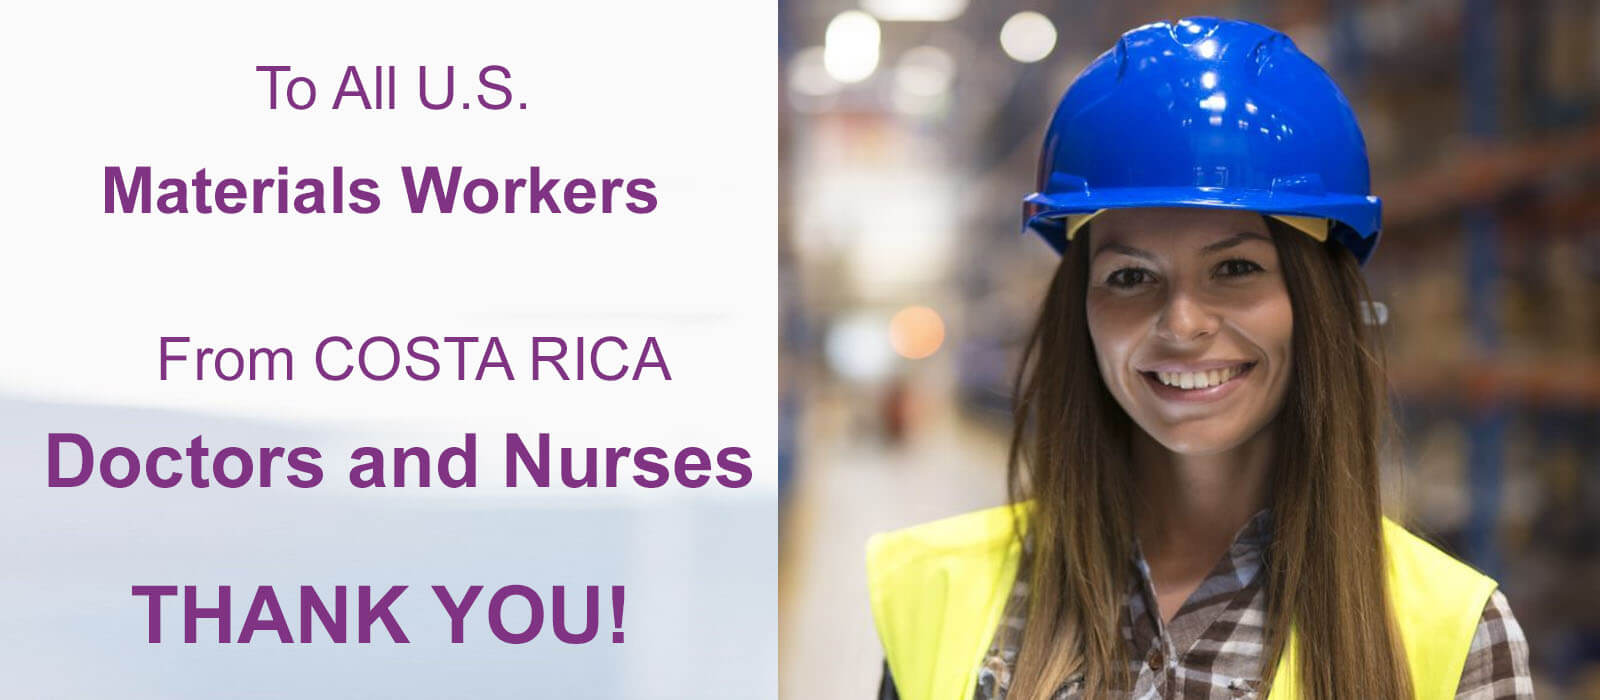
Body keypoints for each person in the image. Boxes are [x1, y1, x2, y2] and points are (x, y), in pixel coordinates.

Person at [866, 17, 1533, 700]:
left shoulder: (1450, 635)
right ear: (1082, 314)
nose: (1181, 324)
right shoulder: (938, 587)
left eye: (1236, 267)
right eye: (1130, 277)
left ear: (1314, 303)